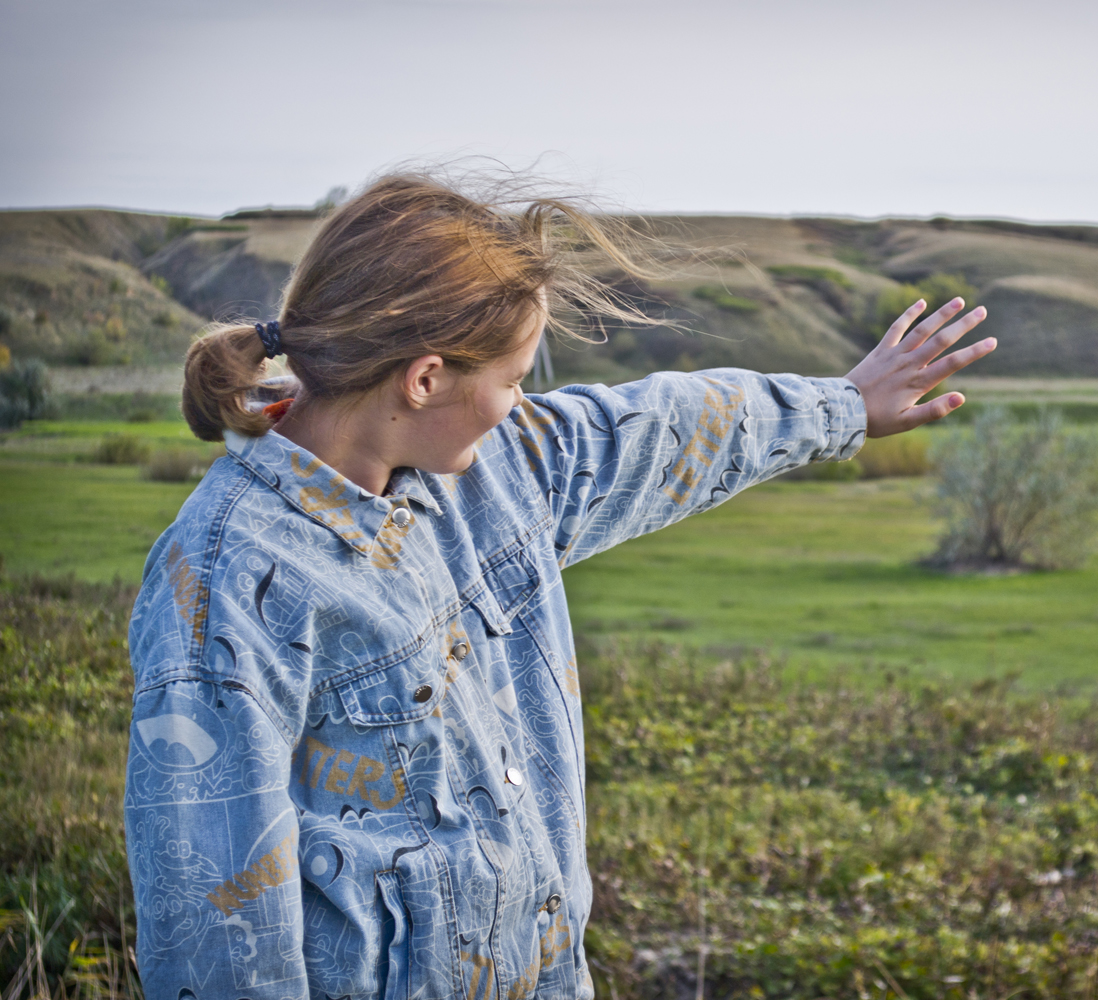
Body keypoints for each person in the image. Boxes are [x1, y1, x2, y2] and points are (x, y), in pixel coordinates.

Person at [124, 173, 995, 1000]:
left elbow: (660, 428)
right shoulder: (223, 584)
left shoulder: (493, 467)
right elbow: (217, 922)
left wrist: (844, 406)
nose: (518, 404)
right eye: (510, 380)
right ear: (425, 379)